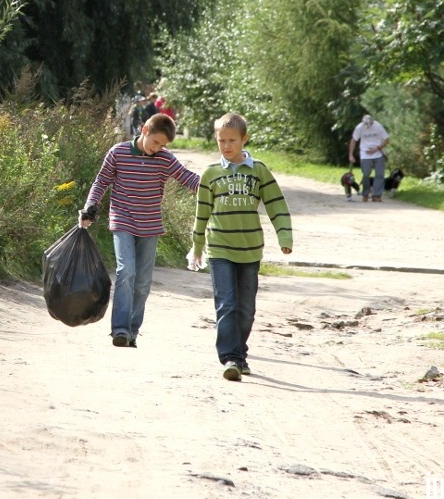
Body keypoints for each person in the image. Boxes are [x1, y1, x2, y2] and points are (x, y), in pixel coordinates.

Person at [79, 113, 200, 348]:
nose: (158, 148)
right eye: (155, 142)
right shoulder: (118, 152)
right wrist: (90, 206)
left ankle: (132, 330)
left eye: (162, 145)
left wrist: (215, 184)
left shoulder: (165, 159)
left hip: (150, 225)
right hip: (122, 220)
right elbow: (101, 181)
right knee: (126, 272)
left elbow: (187, 178)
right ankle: (120, 330)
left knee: (143, 282)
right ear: (145, 129)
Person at [190, 112, 293, 381]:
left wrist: (284, 236)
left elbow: (276, 204)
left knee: (246, 308)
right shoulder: (210, 174)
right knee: (227, 303)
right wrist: (197, 246)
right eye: (221, 140)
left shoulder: (258, 170)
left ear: (244, 139)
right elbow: (202, 213)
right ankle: (231, 358)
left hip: (249, 250)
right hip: (220, 248)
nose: (226, 146)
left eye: (232, 140)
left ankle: (240, 352)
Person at [348, 114, 390, 202]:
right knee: (366, 174)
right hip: (365, 154)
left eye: (369, 125)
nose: (368, 127)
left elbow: (387, 140)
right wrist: (351, 155)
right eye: (366, 125)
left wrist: (377, 148)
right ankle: (365, 193)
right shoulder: (359, 127)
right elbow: (353, 140)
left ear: (372, 122)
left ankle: (376, 195)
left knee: (379, 174)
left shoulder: (378, 126)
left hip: (378, 153)